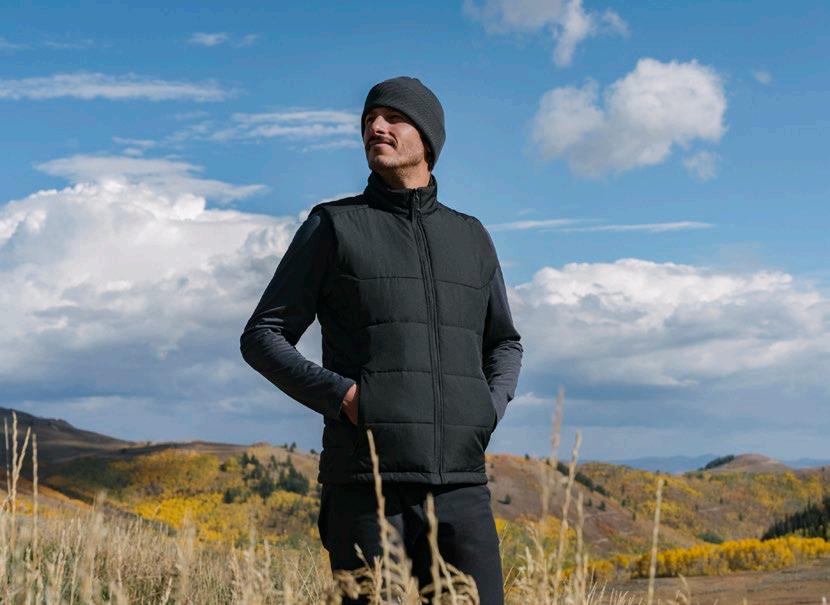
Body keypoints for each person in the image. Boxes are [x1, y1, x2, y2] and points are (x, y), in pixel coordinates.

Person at [240, 75, 523, 605]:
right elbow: (263, 336)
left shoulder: (471, 236)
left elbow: (504, 342)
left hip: (461, 486)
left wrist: (485, 410)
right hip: (365, 485)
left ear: (428, 136)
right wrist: (347, 398)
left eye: (393, 117)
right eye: (369, 119)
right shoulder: (333, 225)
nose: (376, 126)